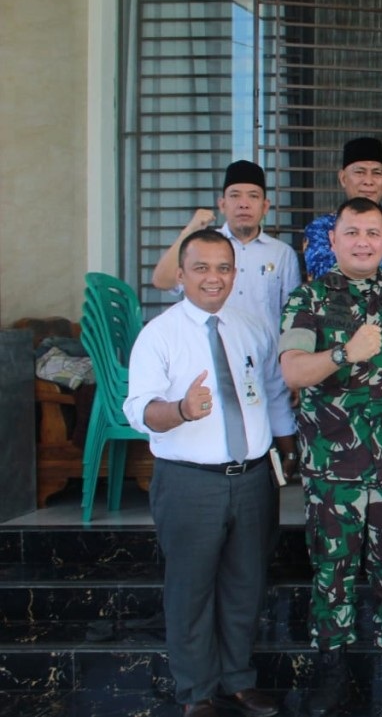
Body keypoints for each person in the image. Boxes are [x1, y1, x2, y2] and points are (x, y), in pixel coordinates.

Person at [125, 229, 295, 717]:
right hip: (189, 482)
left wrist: (287, 450)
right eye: (201, 268)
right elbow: (138, 410)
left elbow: (274, 394)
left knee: (245, 584)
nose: (214, 278)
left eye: (223, 268)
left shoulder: (250, 327)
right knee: (191, 588)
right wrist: (180, 408)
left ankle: (238, 681)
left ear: (234, 274)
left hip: (252, 478)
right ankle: (196, 693)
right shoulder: (159, 334)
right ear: (180, 276)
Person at [279, 198, 382, 717]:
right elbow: (295, 373)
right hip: (332, 466)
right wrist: (346, 352)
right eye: (353, 232)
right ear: (334, 239)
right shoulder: (310, 298)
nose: (363, 241)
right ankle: (332, 667)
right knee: (332, 568)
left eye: (373, 232)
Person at [150, 160, 301, 328]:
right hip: (208, 348)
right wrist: (190, 231)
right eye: (235, 195)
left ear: (265, 206)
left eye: (253, 196)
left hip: (263, 352)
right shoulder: (201, 246)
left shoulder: (282, 253)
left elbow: (293, 315)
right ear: (222, 204)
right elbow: (162, 281)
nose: (243, 204)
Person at [302, 137, 382, 299]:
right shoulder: (320, 229)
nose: (368, 181)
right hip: (336, 319)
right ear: (343, 178)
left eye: (376, 173)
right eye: (359, 172)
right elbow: (323, 279)